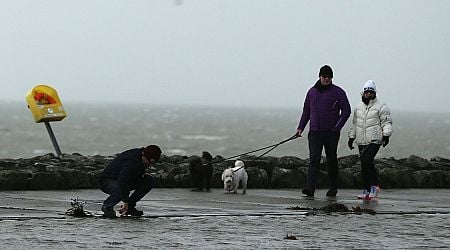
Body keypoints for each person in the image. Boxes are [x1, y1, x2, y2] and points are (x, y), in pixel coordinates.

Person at [296, 65, 351, 197]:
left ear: (332, 77)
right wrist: (300, 127)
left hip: (331, 133)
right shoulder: (312, 92)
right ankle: (310, 188)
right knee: (314, 159)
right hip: (314, 132)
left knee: (331, 159)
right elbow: (306, 111)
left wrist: (337, 128)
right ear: (320, 76)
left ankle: (333, 187)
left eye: (329, 76)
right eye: (324, 76)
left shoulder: (338, 92)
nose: (326, 78)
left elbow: (346, 111)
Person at [348, 80, 393, 200]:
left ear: (374, 93)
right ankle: (367, 189)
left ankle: (374, 187)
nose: (368, 94)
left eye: (371, 92)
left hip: (375, 139)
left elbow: (386, 121)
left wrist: (386, 135)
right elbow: (355, 124)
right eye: (366, 91)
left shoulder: (381, 106)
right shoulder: (358, 108)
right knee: (364, 165)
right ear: (363, 92)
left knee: (368, 161)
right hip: (362, 140)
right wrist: (351, 137)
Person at [98, 145, 162, 218]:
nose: (149, 165)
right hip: (107, 181)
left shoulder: (140, 156)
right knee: (122, 190)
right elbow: (122, 181)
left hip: (122, 179)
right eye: (149, 162)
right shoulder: (132, 162)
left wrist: (141, 173)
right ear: (144, 156)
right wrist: (125, 202)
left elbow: (133, 173)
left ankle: (130, 207)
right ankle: (107, 207)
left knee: (148, 180)